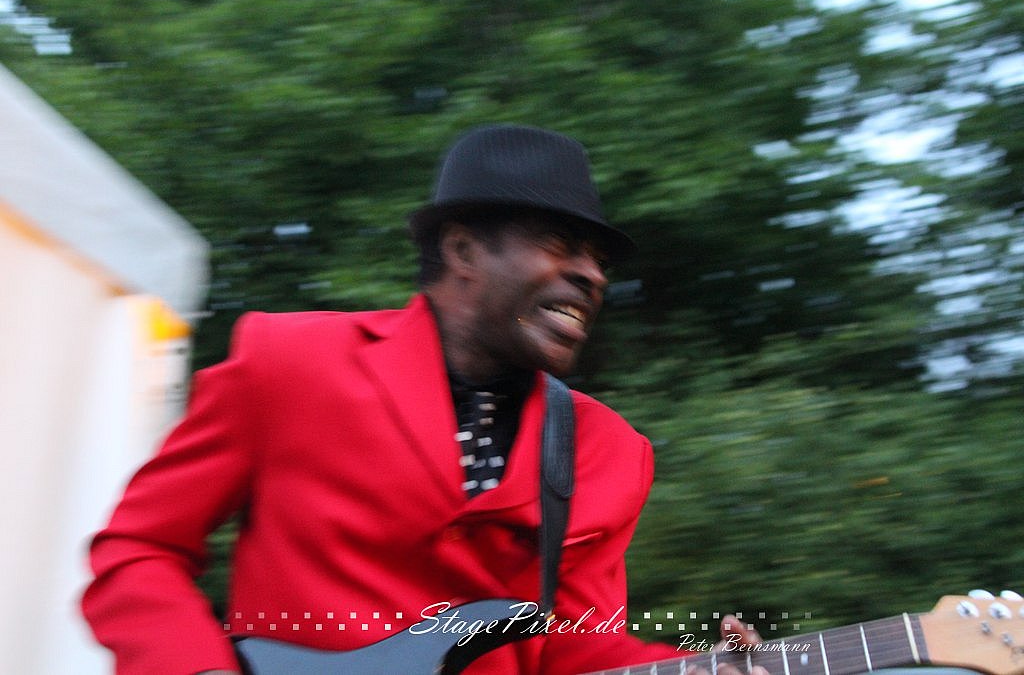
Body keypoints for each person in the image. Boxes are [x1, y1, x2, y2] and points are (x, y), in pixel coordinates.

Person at [81, 124, 763, 674]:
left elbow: (574, 651)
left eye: (600, 263)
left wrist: (698, 668)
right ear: (463, 250)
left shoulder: (611, 452)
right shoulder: (287, 362)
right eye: (562, 245)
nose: (592, 275)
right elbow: (139, 549)